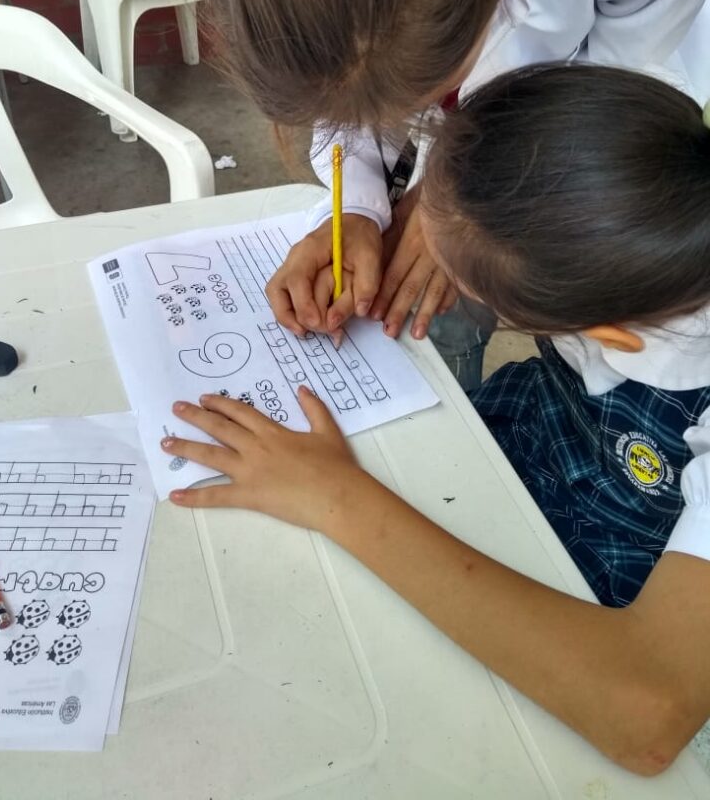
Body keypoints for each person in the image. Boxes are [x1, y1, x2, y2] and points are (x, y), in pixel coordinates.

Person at [161, 65, 710, 774]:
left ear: (604, 332)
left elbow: (647, 715)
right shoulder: (642, 212)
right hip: (532, 446)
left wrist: (333, 496)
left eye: (464, 284)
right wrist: (355, 219)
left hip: (618, 597)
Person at [207, 0, 710, 389]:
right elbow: (353, 64)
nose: (407, 123)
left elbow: (607, 100)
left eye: (423, 96)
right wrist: (355, 207)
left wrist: (449, 205)